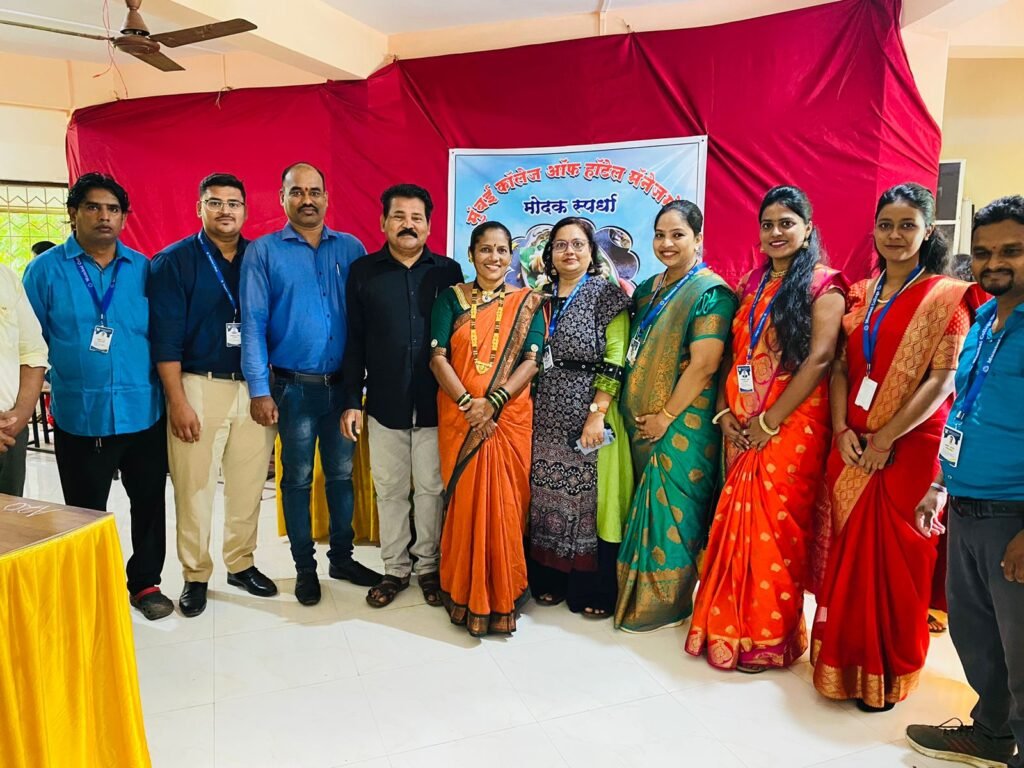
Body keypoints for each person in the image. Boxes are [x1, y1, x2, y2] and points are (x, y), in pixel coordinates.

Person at [811, 183, 973, 712]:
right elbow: (839, 367)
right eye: (886, 225)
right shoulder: (860, 293)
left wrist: (885, 438)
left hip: (910, 445)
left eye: (908, 225)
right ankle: (844, 664)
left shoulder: (948, 297)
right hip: (852, 442)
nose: (895, 235)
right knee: (850, 556)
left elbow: (943, 380)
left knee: (899, 562)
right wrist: (841, 428)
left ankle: (889, 671)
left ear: (929, 231)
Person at [685, 185, 846, 671]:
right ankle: (725, 629)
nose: (776, 233)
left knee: (775, 533)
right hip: (741, 426)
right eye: (768, 224)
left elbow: (820, 359)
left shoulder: (825, 285)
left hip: (790, 429)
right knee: (735, 527)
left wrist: (770, 422)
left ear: (807, 229)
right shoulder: (751, 283)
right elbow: (734, 354)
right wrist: (724, 412)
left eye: (786, 223)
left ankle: (768, 638)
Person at [906, 195, 1024, 768]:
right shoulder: (981, 321)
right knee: (977, 638)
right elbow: (963, 412)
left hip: (1013, 516)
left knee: (1022, 652)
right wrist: (939, 484)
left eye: (1011, 250)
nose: (993, 262)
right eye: (982, 252)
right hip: (966, 506)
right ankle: (991, 735)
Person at [22, 172, 172, 620]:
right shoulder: (45, 272)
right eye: (93, 207)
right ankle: (90, 589)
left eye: (113, 209)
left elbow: (162, 336)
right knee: (85, 510)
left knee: (149, 503)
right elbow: (29, 344)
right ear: (74, 213)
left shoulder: (144, 269)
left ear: (124, 217)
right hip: (80, 414)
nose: (104, 216)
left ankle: (145, 583)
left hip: (143, 410)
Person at [241, 162, 381, 606]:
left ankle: (342, 558)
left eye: (315, 191)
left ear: (326, 197)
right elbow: (253, 325)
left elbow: (365, 321)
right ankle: (305, 568)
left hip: (343, 388)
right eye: (297, 192)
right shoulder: (263, 252)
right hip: (293, 389)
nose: (307, 199)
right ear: (282, 199)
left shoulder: (351, 248)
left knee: (341, 476)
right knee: (298, 480)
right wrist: (259, 389)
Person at [149, 173, 278, 618]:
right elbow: (164, 340)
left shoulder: (260, 257)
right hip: (197, 385)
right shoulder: (174, 261)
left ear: (246, 210)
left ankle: (240, 563)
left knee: (248, 486)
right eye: (215, 202)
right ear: (199, 208)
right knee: (195, 488)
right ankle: (196, 574)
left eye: (234, 203)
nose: (226, 211)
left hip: (255, 387)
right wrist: (177, 401)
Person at [614, 200, 737, 632]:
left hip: (681, 425)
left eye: (678, 235)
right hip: (640, 424)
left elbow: (705, 364)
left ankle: (668, 604)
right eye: (660, 235)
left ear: (698, 239)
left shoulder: (710, 293)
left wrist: (665, 416)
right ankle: (634, 597)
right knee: (643, 509)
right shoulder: (649, 288)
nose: (667, 243)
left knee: (673, 512)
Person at [340, 184, 462, 608]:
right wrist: (351, 400)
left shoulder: (448, 272)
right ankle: (395, 569)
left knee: (430, 489)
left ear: (428, 225)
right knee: (390, 490)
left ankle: (428, 567)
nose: (408, 225)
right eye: (399, 216)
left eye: (416, 218)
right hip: (384, 403)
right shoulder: (363, 272)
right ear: (383, 222)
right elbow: (353, 340)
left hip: (435, 403)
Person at [429, 221, 545, 635]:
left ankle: (502, 591)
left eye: (501, 250)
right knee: (466, 502)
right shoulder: (451, 299)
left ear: (511, 257)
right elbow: (437, 357)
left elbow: (531, 361)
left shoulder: (528, 302)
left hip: (508, 418)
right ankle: (464, 589)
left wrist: (493, 402)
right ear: (471, 254)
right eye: (485, 250)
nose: (493, 258)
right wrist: (467, 403)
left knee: (506, 505)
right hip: (460, 418)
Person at [528, 216, 633, 618]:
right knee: (546, 493)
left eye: (578, 244)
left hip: (589, 411)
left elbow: (616, 357)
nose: (568, 251)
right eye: (560, 244)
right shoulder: (538, 298)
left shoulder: (606, 296)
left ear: (592, 253)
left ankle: (591, 589)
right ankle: (548, 579)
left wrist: (597, 414)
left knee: (589, 499)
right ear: (549, 253)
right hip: (545, 413)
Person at [0, 262, 48, 495]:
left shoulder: (5, 277)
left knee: (9, 516)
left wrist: (20, 415)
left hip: (10, 434)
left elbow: (33, 352)